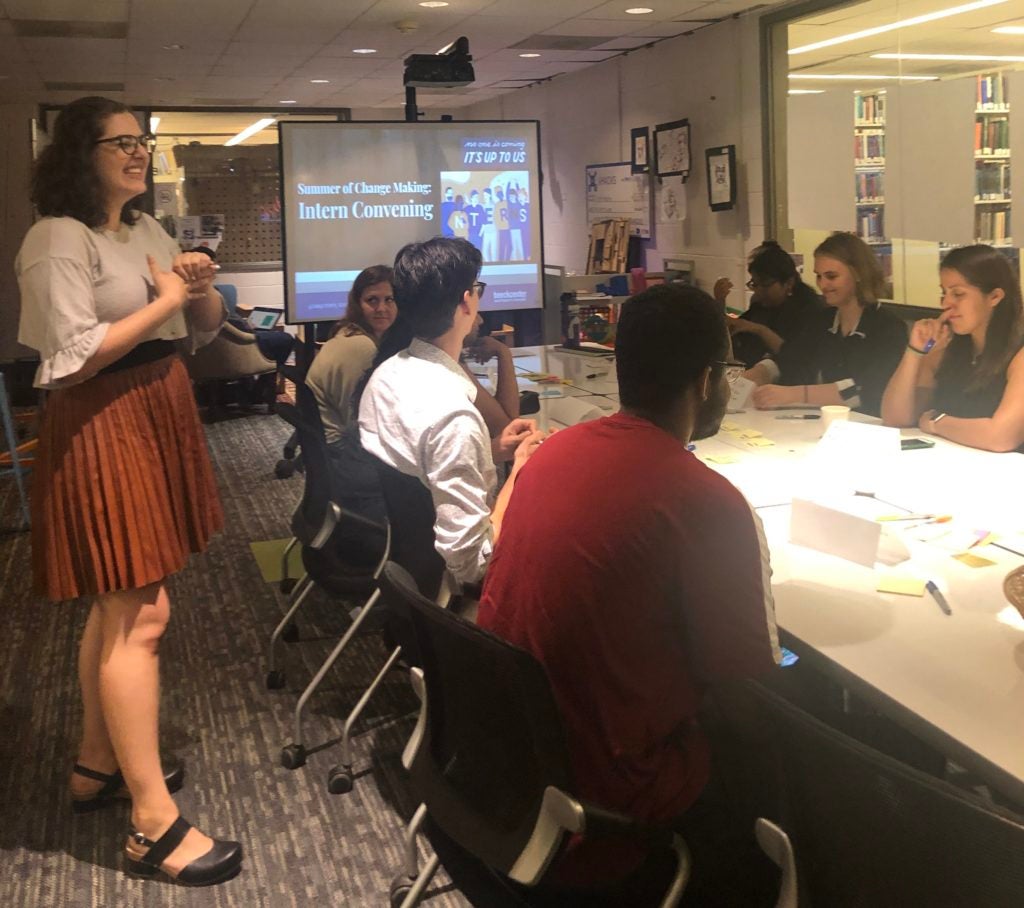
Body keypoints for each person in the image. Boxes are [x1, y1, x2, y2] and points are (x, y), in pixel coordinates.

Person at [477, 283, 780, 900]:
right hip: (606, 802)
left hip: (508, 766)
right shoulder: (707, 503)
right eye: (726, 371)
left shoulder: (554, 454)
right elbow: (748, 698)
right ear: (705, 382)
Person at [14, 97, 242, 885]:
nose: (138, 154)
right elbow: (71, 358)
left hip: (156, 409)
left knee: (116, 606)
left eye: (143, 142)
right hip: (103, 417)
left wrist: (200, 288)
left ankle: (95, 764)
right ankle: (152, 825)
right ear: (79, 153)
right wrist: (167, 302)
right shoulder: (56, 238)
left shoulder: (144, 230)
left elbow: (201, 327)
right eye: (121, 143)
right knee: (141, 613)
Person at [358, 237, 545, 593]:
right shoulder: (454, 416)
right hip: (455, 595)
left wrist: (493, 450)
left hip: (409, 567)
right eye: (477, 288)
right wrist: (520, 469)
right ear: (465, 301)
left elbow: (419, 465)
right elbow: (475, 564)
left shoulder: (388, 373)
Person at [745, 231, 907, 417]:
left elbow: (863, 389)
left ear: (858, 274)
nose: (823, 285)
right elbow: (792, 357)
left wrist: (794, 394)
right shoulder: (822, 320)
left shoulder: (888, 327)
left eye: (831, 276)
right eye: (819, 276)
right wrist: (761, 371)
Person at [881, 244, 1024, 452]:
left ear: (994, 297)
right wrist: (914, 351)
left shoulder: (1018, 354)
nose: (946, 303)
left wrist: (936, 422)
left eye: (958, 294)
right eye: (944, 293)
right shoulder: (948, 345)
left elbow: (1000, 437)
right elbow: (896, 417)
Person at [305, 265, 397, 552]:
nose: (382, 308)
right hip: (344, 460)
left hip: (332, 458)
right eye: (372, 300)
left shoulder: (347, 334)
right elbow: (361, 426)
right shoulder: (360, 348)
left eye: (390, 299)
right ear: (358, 304)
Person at [713, 240, 824, 368]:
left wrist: (759, 330)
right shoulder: (760, 304)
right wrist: (720, 302)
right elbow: (733, 335)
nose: (759, 291)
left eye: (765, 284)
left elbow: (796, 358)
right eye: (754, 284)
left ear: (789, 283)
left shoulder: (809, 309)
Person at [460, 314, 521, 437]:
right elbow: (507, 429)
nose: (480, 320)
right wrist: (504, 352)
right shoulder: (451, 367)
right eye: (475, 311)